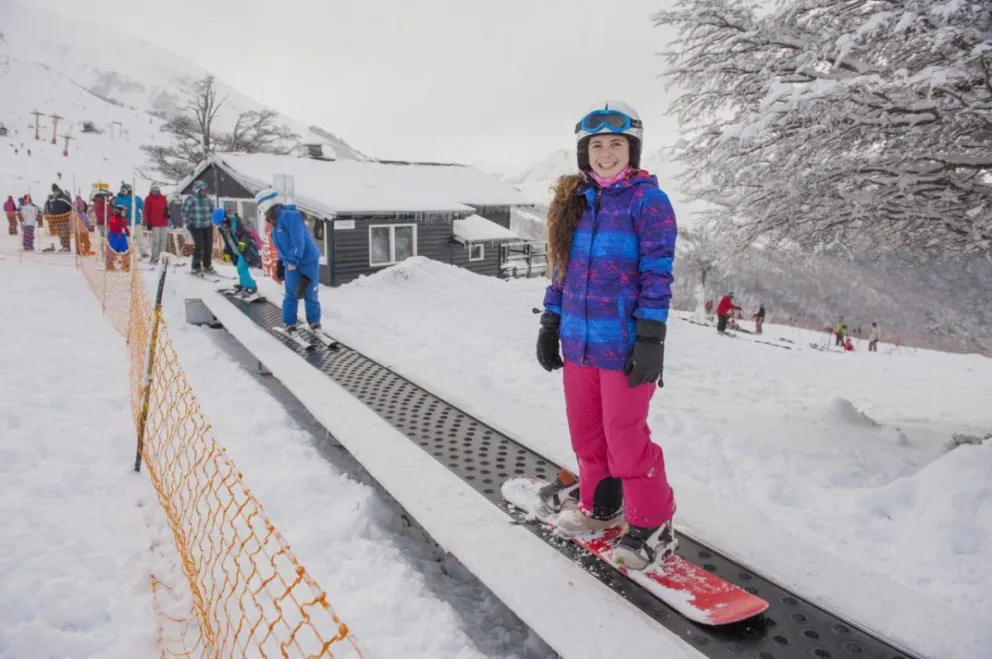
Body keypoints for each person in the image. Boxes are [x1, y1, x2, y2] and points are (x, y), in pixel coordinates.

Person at [535, 100, 678, 571]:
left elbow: (657, 273)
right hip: (578, 343)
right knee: (587, 431)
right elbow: (561, 270)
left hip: (623, 346)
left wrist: (651, 337)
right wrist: (550, 322)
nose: (606, 153)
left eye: (616, 144)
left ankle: (652, 522)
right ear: (584, 152)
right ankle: (601, 505)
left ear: (632, 150)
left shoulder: (648, 202)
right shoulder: (574, 201)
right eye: (596, 145)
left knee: (625, 435)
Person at [254, 188, 321, 333]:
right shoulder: (274, 223)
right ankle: (289, 323)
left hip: (307, 261)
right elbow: (282, 246)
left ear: (266, 205)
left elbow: (298, 242)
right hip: (291, 262)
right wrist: (280, 262)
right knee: (291, 293)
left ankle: (314, 323)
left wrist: (292, 261)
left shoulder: (290, 216)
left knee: (310, 292)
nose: (263, 213)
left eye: (262, 209)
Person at [211, 208, 257, 295]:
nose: (221, 227)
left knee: (242, 267)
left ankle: (251, 287)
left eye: (222, 224)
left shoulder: (237, 222)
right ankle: (244, 284)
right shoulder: (223, 228)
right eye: (219, 225)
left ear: (226, 218)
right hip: (237, 251)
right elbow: (228, 241)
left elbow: (246, 235)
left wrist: (243, 243)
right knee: (239, 269)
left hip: (246, 249)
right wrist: (226, 252)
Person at [182, 181, 216, 274]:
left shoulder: (207, 199)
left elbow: (213, 211)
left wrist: (217, 218)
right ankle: (196, 267)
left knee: (208, 246)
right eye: (202, 190)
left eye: (205, 190)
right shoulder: (191, 199)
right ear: (197, 190)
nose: (204, 192)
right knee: (199, 246)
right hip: (195, 226)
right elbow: (185, 212)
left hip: (208, 226)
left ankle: (207, 265)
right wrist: (188, 223)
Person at [143, 184, 169, 264]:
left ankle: (162, 257)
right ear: (151, 190)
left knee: (163, 240)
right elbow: (146, 211)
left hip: (163, 222)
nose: (155, 191)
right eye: (153, 190)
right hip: (154, 223)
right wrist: (147, 222)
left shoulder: (163, 197)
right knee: (156, 241)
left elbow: (166, 207)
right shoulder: (148, 198)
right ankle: (154, 257)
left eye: (156, 190)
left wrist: (167, 213)